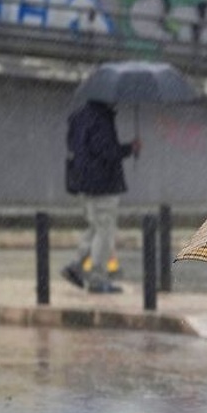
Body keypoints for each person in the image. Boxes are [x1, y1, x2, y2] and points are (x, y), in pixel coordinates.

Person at [62, 100, 139, 294]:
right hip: (102, 183)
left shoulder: (79, 116)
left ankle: (76, 267)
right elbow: (106, 151)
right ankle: (97, 279)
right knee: (105, 232)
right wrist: (130, 148)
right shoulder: (100, 119)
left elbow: (77, 146)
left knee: (96, 227)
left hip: (84, 182)